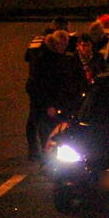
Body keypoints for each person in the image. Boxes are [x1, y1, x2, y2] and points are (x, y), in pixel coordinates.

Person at [24, 17, 69, 161]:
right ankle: (45, 150)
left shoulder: (36, 40)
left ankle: (34, 150)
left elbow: (26, 57)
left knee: (34, 119)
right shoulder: (54, 47)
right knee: (45, 119)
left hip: (33, 83)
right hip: (42, 85)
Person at [27, 30, 78, 154]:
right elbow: (40, 85)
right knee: (47, 133)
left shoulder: (67, 58)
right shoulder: (44, 60)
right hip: (47, 105)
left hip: (62, 103)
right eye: (61, 45)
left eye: (65, 45)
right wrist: (48, 105)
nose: (63, 47)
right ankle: (45, 157)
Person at [72, 34, 106, 101]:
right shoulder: (73, 60)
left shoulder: (98, 57)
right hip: (79, 93)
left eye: (88, 45)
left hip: (96, 91)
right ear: (78, 46)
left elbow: (103, 72)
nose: (86, 48)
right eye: (83, 45)